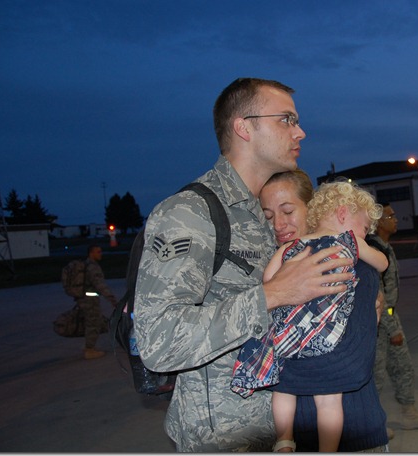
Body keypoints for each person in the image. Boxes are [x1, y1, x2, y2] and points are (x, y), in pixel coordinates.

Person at [133, 78, 355, 452]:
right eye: (286, 119)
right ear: (244, 128)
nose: (300, 131)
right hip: (226, 439)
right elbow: (158, 341)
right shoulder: (190, 213)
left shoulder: (263, 214)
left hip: (283, 429)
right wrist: (272, 294)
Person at [231, 180, 388, 452]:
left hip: (357, 434)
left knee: (287, 392)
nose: (278, 224)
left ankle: (284, 439)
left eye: (288, 211)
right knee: (326, 400)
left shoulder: (353, 265)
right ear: (342, 213)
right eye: (268, 216)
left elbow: (355, 362)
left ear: (311, 207)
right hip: (320, 411)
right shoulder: (348, 248)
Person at [367, 203, 418, 438]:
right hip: (378, 323)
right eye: (391, 216)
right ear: (379, 222)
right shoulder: (374, 251)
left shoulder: (385, 247)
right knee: (376, 376)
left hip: (389, 316)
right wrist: (392, 328)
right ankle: (371, 424)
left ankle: (409, 414)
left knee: (403, 368)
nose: (396, 219)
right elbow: (377, 296)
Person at [80, 244, 118, 360]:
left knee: (91, 323)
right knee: (93, 324)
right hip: (90, 300)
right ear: (91, 253)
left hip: (85, 298)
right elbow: (100, 285)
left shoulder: (86, 265)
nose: (100, 254)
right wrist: (111, 298)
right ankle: (89, 350)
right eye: (98, 252)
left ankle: (88, 346)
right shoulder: (92, 267)